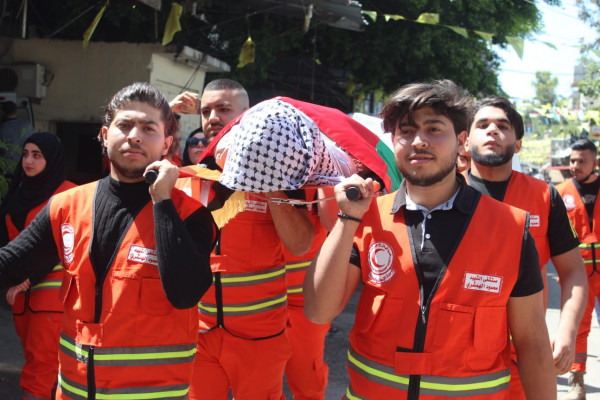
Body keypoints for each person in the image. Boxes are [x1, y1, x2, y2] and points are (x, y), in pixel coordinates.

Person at [304, 80, 557, 399]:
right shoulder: (367, 217)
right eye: (406, 131)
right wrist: (347, 218)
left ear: (461, 141)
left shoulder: (511, 228)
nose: (419, 141)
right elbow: (318, 311)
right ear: (393, 141)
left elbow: (532, 342)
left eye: (434, 129)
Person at [0, 82, 217, 399]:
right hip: (74, 392)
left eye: (148, 128)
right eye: (125, 125)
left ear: (167, 144)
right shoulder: (66, 205)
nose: (135, 136)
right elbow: (8, 266)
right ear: (104, 135)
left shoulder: (190, 215)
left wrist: (162, 201)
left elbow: (185, 293)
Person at [173, 79, 314, 399]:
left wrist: (269, 183)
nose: (212, 117)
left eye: (224, 109)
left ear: (247, 114)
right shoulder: (187, 177)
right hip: (199, 333)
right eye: (206, 111)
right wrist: (164, 114)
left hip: (259, 336)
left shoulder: (280, 174)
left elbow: (300, 244)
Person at [465, 96, 587, 398]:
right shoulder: (444, 194)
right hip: (457, 355)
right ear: (465, 141)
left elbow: (573, 272)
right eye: (483, 124)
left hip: (526, 353)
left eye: (503, 125)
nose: (492, 130)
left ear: (518, 144)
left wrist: (567, 331)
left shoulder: (545, 197)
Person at [0, 132, 76, 400]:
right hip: (20, 295)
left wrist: (27, 278)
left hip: (52, 294)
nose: (29, 161)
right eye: (25, 154)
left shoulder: (69, 193)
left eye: (37, 155)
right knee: (39, 361)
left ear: (51, 159)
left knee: (41, 365)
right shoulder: (18, 192)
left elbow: (61, 244)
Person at [555, 138, 600, 400]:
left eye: (582, 161)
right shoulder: (560, 192)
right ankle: (577, 382)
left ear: (595, 162)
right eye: (572, 160)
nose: (575, 165)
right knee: (577, 329)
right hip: (578, 275)